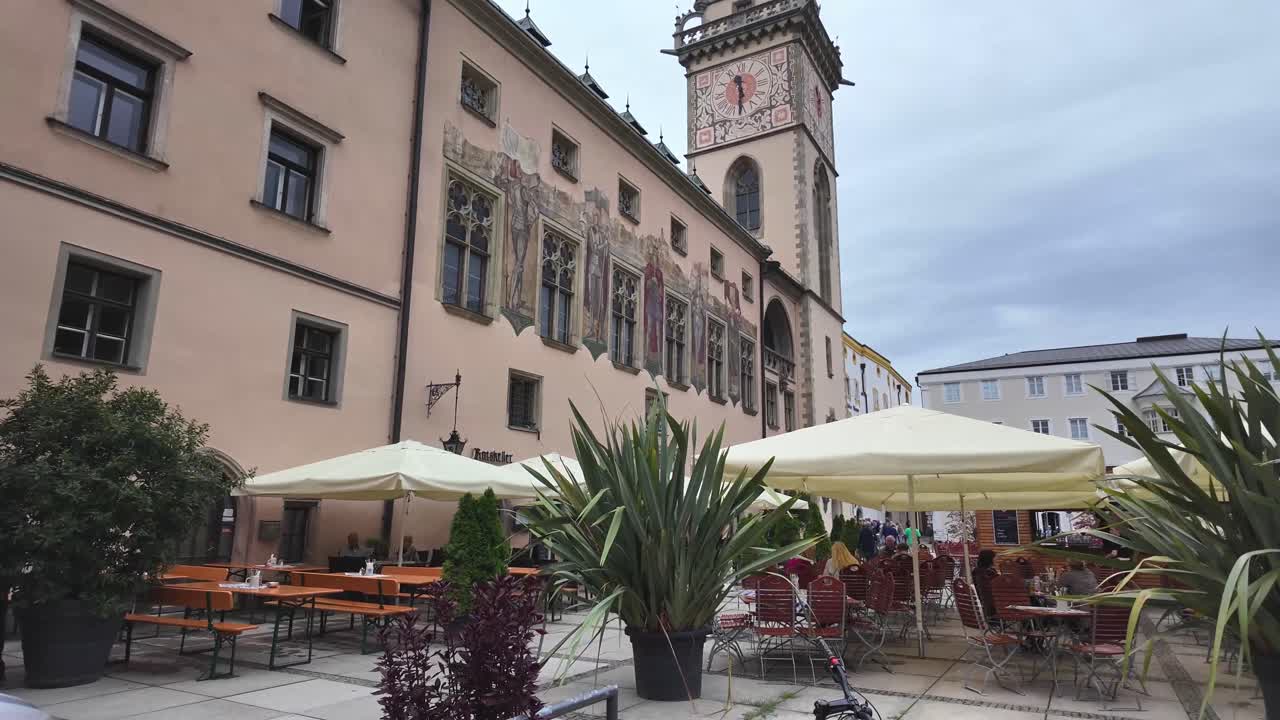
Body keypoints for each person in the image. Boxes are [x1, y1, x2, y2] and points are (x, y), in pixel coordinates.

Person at [972, 549, 1000, 621]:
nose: (997, 559)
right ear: (989, 559)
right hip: (997, 608)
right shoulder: (989, 573)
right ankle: (1029, 628)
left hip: (987, 607)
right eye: (995, 557)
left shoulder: (977, 571)